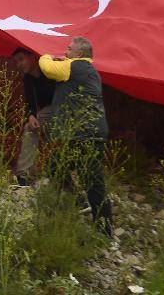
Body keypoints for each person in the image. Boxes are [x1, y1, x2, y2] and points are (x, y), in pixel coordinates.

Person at [38, 36, 113, 235]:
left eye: (69, 49)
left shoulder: (75, 66)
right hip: (84, 133)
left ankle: (105, 231)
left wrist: (45, 54)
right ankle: (80, 203)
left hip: (85, 133)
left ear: (79, 54)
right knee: (56, 167)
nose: (65, 52)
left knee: (92, 180)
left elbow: (47, 68)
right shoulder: (89, 71)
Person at [11, 48, 56, 186]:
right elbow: (31, 102)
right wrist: (31, 115)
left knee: (57, 139)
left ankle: (57, 172)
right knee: (30, 127)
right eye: (16, 61)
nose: (19, 64)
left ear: (32, 57)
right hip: (49, 111)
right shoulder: (28, 79)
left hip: (63, 107)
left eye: (21, 59)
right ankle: (23, 176)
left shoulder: (49, 69)